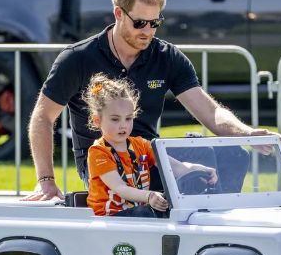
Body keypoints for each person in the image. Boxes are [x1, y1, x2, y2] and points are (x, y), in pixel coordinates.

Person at [23, 0, 280, 201]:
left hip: (150, 154)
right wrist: (46, 181)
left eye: (154, 23)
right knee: (194, 173)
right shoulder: (78, 58)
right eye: (139, 23)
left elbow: (209, 111)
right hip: (104, 160)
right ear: (118, 14)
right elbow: (43, 117)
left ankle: (216, 232)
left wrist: (245, 133)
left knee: (231, 156)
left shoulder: (167, 56)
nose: (147, 31)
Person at [83, 74, 216, 217]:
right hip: (109, 218)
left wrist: (197, 169)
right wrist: (149, 196)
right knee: (150, 213)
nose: (123, 125)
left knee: (176, 211)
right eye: (115, 119)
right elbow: (120, 188)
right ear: (97, 121)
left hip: (138, 215)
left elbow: (173, 167)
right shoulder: (99, 151)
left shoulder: (141, 144)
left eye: (128, 118)